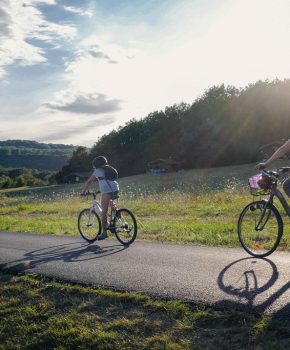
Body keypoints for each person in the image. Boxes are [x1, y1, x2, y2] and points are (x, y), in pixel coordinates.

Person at [81, 156, 119, 240]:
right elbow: (106, 180)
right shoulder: (108, 168)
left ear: (95, 165)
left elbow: (89, 181)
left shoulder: (98, 171)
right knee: (109, 201)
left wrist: (83, 192)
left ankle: (104, 233)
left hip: (107, 191)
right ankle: (116, 211)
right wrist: (99, 190)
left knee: (103, 213)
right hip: (115, 188)